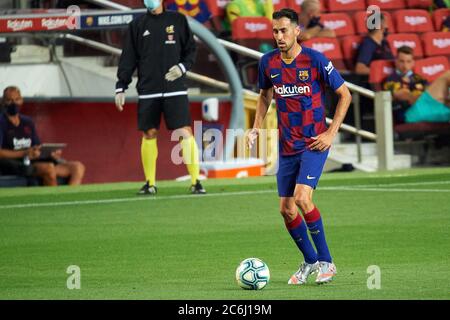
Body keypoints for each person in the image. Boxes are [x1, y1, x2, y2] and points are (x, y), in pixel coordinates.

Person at [247, 8, 351, 285]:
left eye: (284, 30)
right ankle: (309, 261)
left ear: (297, 31)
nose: (279, 36)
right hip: (287, 145)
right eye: (275, 31)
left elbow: (345, 95)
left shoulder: (315, 60)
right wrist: (256, 126)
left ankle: (327, 262)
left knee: (303, 199)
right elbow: (264, 94)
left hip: (314, 142)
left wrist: (331, 132)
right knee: (287, 209)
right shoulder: (268, 63)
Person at [115, 0, 206, 195]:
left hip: (176, 89)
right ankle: (150, 183)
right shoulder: (137, 25)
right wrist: (121, 86)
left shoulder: (178, 20)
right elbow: (128, 57)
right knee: (149, 133)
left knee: (184, 131)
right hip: (148, 89)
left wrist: (182, 68)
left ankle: (196, 181)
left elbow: (191, 50)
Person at [0, 86, 85, 186]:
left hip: (34, 161)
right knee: (48, 168)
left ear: (22, 100)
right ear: (3, 102)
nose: (14, 103)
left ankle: (70, 199)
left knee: (78, 167)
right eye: (9, 100)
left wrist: (50, 153)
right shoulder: (2, 122)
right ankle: (54, 199)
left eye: (17, 99)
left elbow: (37, 146)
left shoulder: (28, 122)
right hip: (14, 164)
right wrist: (25, 153)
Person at [383, 46, 428, 123]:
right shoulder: (391, 79)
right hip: (404, 112)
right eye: (402, 61)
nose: (405, 65)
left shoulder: (419, 78)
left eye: (408, 61)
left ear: (413, 63)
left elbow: (430, 91)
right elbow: (397, 97)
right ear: (396, 62)